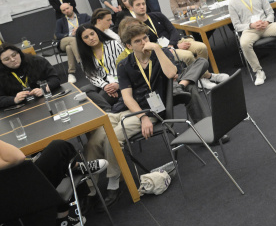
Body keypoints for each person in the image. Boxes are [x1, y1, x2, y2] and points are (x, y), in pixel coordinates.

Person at [84, 21, 213, 206]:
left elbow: (171, 73)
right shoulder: (124, 64)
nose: (144, 43)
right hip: (130, 110)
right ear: (129, 46)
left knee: (112, 137)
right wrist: (141, 117)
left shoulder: (159, 54)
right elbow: (127, 97)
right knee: (94, 139)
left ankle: (113, 183)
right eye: (138, 41)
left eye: (145, 38)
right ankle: (90, 187)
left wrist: (158, 50)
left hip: (152, 110)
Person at [0, 138, 107, 226]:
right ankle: (78, 169)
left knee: (43, 154)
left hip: (8, 206)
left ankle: (77, 170)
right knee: (59, 148)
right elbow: (17, 157)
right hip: (22, 200)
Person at [128, 0, 225, 89]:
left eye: (143, 4)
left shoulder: (157, 15)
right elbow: (147, 45)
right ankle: (204, 78)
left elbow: (173, 31)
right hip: (162, 51)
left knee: (201, 47)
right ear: (131, 8)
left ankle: (204, 76)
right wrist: (173, 47)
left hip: (175, 43)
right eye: (138, 5)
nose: (142, 7)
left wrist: (173, 45)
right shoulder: (136, 26)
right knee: (188, 56)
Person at [75, 24, 125, 107]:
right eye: (86, 37)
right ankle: (107, 108)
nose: (91, 38)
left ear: (97, 33)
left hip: (120, 80)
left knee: (99, 99)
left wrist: (117, 83)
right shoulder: (84, 55)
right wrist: (104, 86)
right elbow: (91, 75)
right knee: (83, 90)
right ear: (82, 41)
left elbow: (126, 65)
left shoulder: (114, 44)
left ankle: (107, 110)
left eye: (92, 34)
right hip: (103, 83)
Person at [0, 44, 61, 108]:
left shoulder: (37, 61)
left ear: (19, 53)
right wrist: (14, 99)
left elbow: (55, 78)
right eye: (7, 59)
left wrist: (44, 89)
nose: (12, 59)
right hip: (21, 109)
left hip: (46, 101)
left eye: (14, 55)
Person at [55, 3, 90, 83]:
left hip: (78, 41)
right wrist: (70, 34)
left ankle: (71, 73)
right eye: (64, 10)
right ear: (62, 12)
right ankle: (82, 63)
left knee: (69, 48)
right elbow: (57, 34)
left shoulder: (83, 16)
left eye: (67, 8)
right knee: (72, 40)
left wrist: (80, 27)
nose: (66, 11)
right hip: (65, 41)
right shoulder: (60, 22)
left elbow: (92, 21)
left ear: (71, 7)